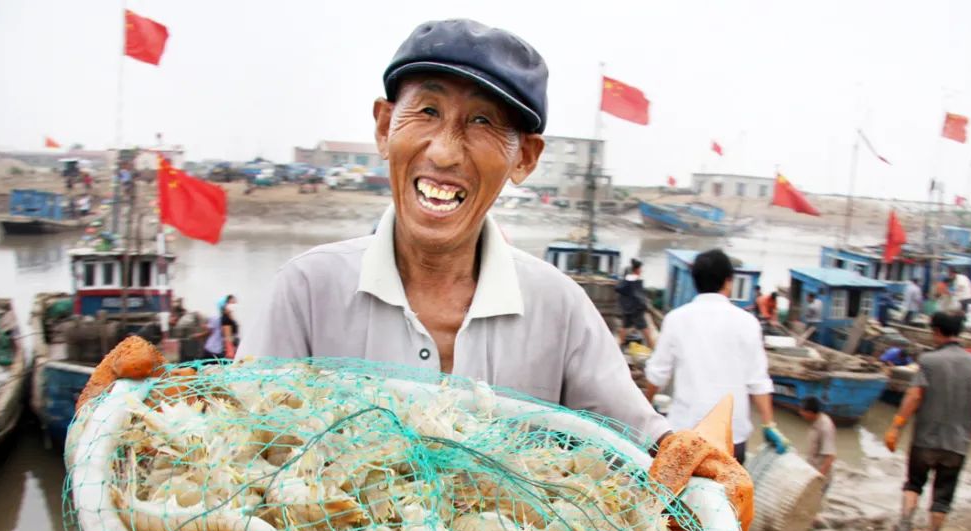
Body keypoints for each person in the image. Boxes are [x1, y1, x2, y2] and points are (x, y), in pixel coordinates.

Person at [236, 19, 670, 449]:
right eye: (427, 111)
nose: (444, 152)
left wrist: (690, 455)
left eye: (482, 121)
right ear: (385, 126)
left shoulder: (560, 308)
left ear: (526, 158)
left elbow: (648, 446)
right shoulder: (309, 290)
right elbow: (240, 437)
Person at [644, 249, 784, 464]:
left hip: (686, 432)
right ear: (728, 282)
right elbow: (758, 382)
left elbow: (657, 375)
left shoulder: (676, 319)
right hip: (731, 437)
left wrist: (644, 413)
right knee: (729, 495)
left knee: (679, 496)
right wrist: (768, 424)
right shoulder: (747, 323)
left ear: (695, 281)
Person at [884, 312, 971, 531]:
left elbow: (914, 396)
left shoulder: (929, 361)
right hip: (957, 445)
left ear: (936, 332)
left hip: (925, 440)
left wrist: (896, 426)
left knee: (914, 483)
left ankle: (904, 525)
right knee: (943, 494)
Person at [616, 258, 655, 348]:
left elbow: (623, 292)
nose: (641, 271)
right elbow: (638, 296)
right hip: (636, 309)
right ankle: (652, 347)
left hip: (627, 308)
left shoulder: (627, 279)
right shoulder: (635, 281)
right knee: (645, 329)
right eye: (640, 269)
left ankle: (618, 346)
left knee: (624, 327)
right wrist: (644, 305)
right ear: (637, 269)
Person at [799, 397, 836, 485]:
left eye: (802, 411)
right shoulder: (816, 421)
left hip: (820, 477)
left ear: (810, 413)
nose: (800, 413)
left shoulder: (825, 427)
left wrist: (819, 479)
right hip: (812, 470)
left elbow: (830, 456)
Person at [203, 295, 239, 360]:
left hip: (211, 349)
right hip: (215, 351)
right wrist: (230, 352)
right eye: (231, 304)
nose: (234, 306)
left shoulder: (220, 318)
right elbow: (227, 337)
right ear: (224, 307)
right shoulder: (225, 319)